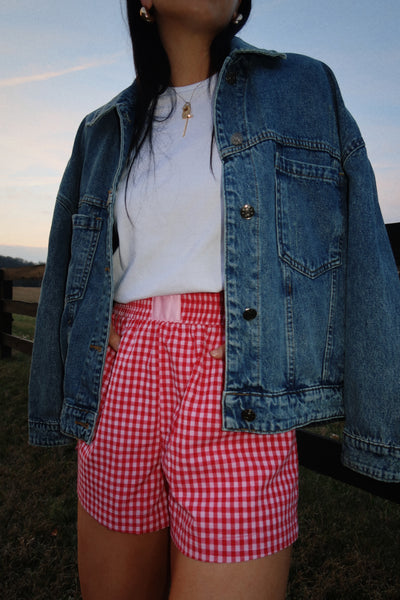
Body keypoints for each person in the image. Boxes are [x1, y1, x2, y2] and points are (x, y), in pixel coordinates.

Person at [28, 1, 400, 598]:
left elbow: (364, 246)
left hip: (238, 384)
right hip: (122, 377)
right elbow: (72, 259)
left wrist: (380, 423)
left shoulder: (303, 87)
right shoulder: (102, 128)